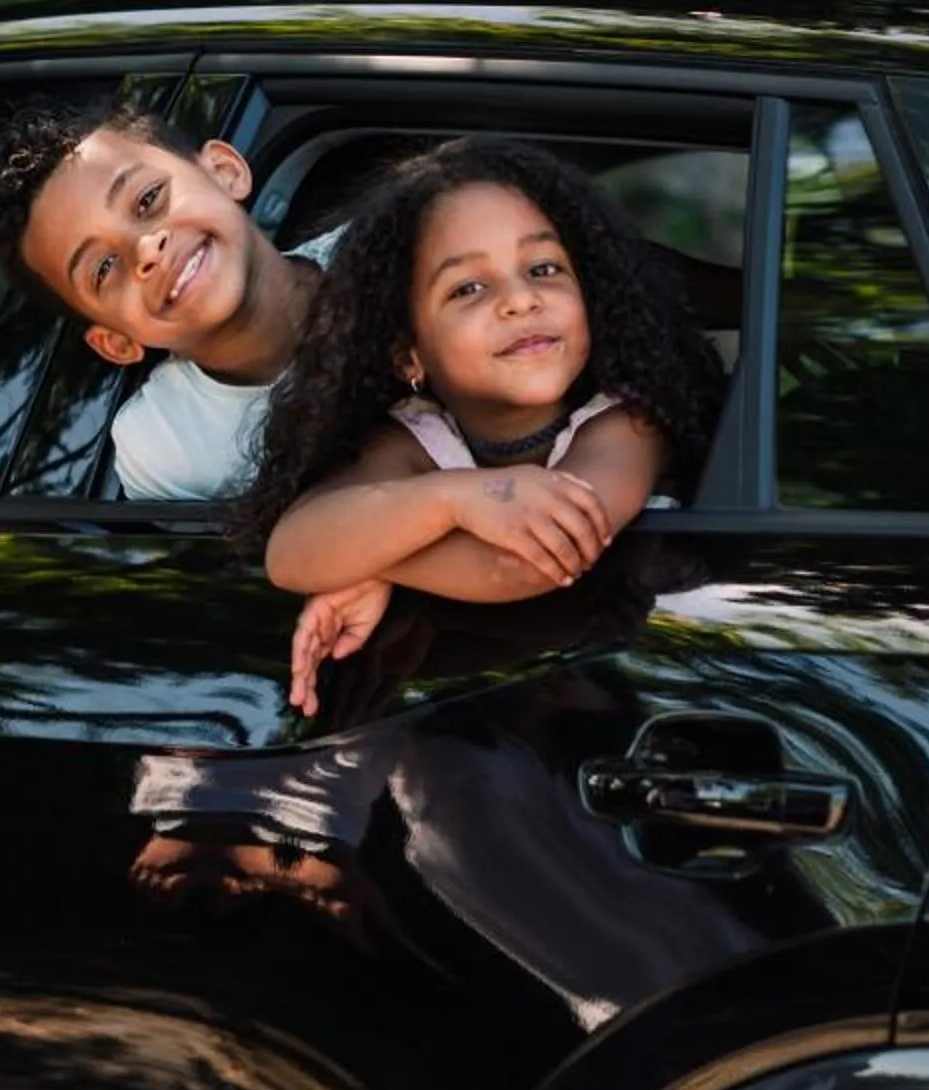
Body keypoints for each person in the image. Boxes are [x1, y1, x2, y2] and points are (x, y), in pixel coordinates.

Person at [233, 136, 724, 712]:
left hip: (641, 709)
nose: (520, 301)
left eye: (543, 269)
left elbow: (527, 563)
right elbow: (291, 552)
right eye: (468, 288)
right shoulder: (417, 436)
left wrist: (374, 561)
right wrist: (453, 500)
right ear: (408, 354)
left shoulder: (625, 426)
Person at [0, 98, 339, 500]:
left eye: (147, 200)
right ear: (115, 342)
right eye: (104, 268)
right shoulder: (166, 448)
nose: (147, 251)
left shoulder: (402, 252)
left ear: (224, 172)